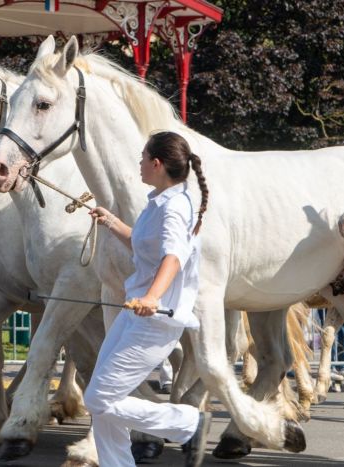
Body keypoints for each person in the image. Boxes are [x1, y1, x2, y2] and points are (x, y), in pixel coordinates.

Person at [84, 131, 210, 467]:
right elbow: (145, 248)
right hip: (136, 312)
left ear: (157, 164)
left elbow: (173, 256)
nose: (138, 164)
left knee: (99, 398)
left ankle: (187, 423)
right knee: (103, 400)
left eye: (142, 158)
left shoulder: (175, 208)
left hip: (155, 319)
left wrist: (153, 297)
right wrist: (111, 221)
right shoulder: (159, 202)